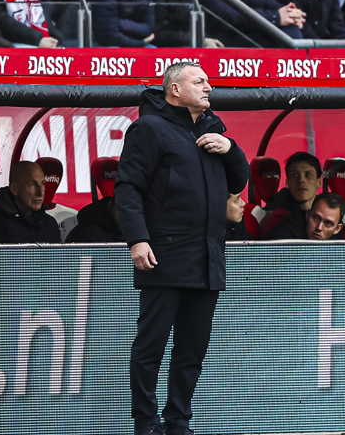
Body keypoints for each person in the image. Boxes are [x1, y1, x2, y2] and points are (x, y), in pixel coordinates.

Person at [118, 62, 248, 435]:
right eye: (200, 81)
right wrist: (137, 240)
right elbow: (128, 188)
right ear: (175, 89)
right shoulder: (149, 128)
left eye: (208, 81)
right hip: (163, 256)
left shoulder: (213, 129)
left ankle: (178, 422)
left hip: (207, 258)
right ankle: (146, 422)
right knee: (151, 347)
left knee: (191, 352)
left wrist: (230, 148)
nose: (209, 87)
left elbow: (239, 181)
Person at [0, 161, 63, 243]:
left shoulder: (50, 224)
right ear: (14, 189)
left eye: (43, 183)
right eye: (32, 184)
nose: (40, 192)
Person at [263, 192, 345, 240]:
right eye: (316, 218)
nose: (319, 227)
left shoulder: (341, 245)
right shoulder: (283, 237)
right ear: (307, 214)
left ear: (337, 229)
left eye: (328, 223)